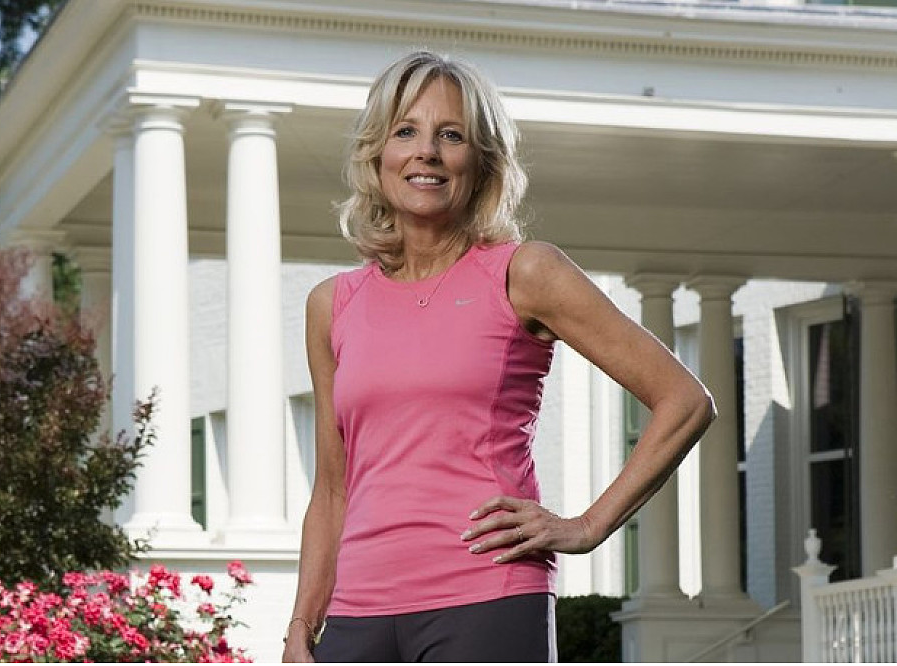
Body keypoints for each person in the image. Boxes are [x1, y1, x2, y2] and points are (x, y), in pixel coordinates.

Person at [282, 50, 715, 663]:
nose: (426, 152)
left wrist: (586, 526)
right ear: (377, 154)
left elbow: (685, 400)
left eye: (450, 135)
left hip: (487, 596)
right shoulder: (332, 305)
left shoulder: (525, 272)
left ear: (482, 161)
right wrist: (301, 624)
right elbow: (333, 489)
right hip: (359, 612)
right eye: (405, 132)